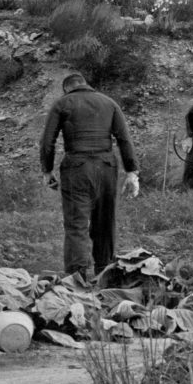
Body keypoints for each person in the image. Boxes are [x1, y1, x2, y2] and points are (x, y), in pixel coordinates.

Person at [39, 73, 140, 280]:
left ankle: (77, 277)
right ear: (86, 84)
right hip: (106, 167)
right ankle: (104, 273)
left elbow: (47, 141)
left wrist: (47, 170)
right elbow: (124, 139)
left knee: (76, 224)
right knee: (105, 222)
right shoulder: (109, 103)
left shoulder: (63, 103)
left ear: (67, 89)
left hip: (76, 168)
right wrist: (132, 172)